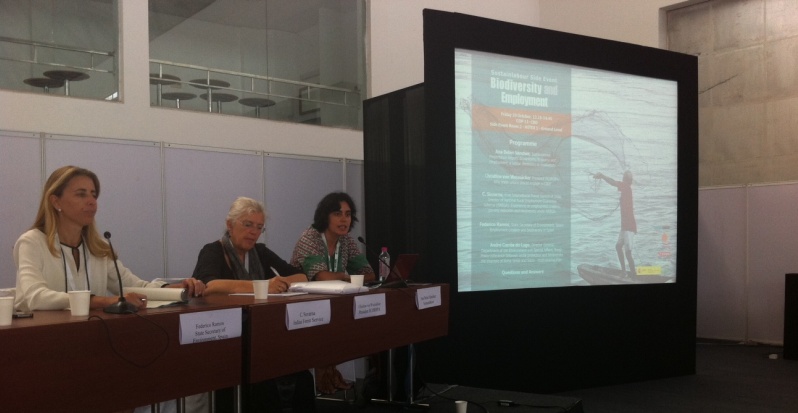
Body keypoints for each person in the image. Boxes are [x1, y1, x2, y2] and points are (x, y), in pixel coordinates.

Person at [14, 166, 204, 313]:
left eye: (93, 195)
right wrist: (102, 301)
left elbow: (133, 287)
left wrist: (175, 289)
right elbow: (35, 297)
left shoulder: (99, 248)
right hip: (40, 338)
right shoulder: (32, 242)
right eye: (81, 194)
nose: (92, 201)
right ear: (56, 201)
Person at [192, 196, 315, 412]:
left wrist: (281, 282)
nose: (254, 232)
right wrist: (262, 286)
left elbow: (301, 276)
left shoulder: (260, 252)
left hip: (258, 334)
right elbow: (210, 286)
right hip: (220, 335)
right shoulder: (213, 251)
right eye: (248, 225)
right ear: (230, 225)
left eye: (259, 227)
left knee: (299, 372)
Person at [291, 191, 375, 394]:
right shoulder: (310, 237)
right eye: (338, 214)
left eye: (348, 214)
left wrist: (342, 277)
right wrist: (347, 277)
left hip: (333, 304)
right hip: (303, 309)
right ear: (325, 216)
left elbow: (369, 274)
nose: (344, 219)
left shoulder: (346, 241)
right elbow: (321, 277)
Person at [593, 170, 637, 277]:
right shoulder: (626, 189)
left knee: (628, 253)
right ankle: (624, 272)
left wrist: (602, 176)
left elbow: (613, 182)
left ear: (625, 180)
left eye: (624, 178)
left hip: (629, 227)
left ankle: (633, 276)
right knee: (618, 247)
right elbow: (615, 183)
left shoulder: (626, 187)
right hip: (624, 226)